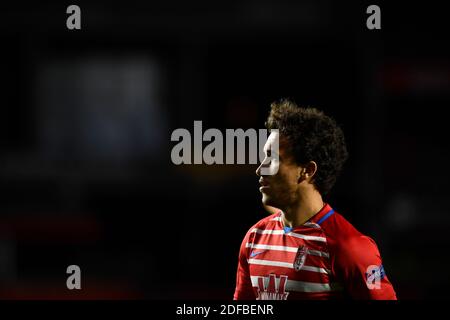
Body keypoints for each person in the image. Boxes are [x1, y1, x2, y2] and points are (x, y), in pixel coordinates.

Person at [233, 99, 397, 300]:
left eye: (273, 159)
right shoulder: (254, 239)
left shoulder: (350, 247)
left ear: (307, 171)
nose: (260, 169)